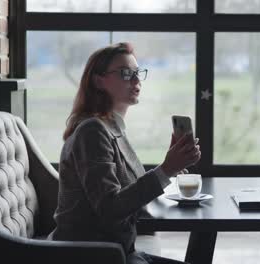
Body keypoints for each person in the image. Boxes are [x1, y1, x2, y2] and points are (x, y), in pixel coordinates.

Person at [49, 42, 200, 264]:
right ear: (99, 81)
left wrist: (170, 168)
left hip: (118, 251)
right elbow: (110, 209)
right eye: (126, 73)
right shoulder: (92, 131)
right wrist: (166, 168)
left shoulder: (112, 126)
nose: (136, 80)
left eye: (138, 73)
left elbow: (129, 194)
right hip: (92, 255)